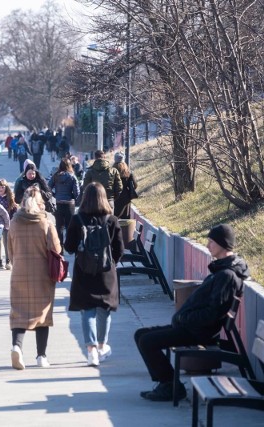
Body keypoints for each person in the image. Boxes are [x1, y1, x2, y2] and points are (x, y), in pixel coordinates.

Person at [135, 224, 248, 402]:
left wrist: (184, 317)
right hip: (192, 328)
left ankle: (171, 386)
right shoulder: (222, 270)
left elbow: (212, 314)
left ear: (223, 244)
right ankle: (167, 384)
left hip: (197, 332)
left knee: (147, 341)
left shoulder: (226, 275)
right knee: (141, 334)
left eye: (211, 241)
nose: (208, 245)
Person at [64, 183, 124, 367]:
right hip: (106, 273)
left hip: (84, 271)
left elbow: (69, 247)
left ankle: (90, 351)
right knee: (104, 309)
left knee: (87, 310)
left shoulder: (77, 219)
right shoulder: (112, 220)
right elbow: (119, 249)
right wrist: (109, 261)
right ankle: (101, 345)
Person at [7, 185, 62, 370]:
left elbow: (10, 251)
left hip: (19, 273)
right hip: (42, 275)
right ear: (40, 204)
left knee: (19, 313)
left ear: (22, 202)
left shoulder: (14, 222)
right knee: (42, 315)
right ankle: (41, 356)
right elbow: (56, 249)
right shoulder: (45, 223)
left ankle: (16, 347)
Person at [48, 158, 80, 253]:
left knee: (59, 226)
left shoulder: (55, 176)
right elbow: (77, 192)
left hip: (58, 203)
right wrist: (72, 197)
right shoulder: (72, 177)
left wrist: (55, 195)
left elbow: (48, 187)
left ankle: (60, 248)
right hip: (69, 204)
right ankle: (69, 247)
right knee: (69, 226)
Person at [0, 178, 18, 270]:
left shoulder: (10, 197)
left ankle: (8, 260)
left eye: (2, 187)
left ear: (6, 188)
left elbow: (14, 210)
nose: (1, 189)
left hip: (7, 223)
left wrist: (13, 219)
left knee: (7, 243)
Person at [112, 153, 137, 219]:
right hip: (126, 197)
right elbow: (135, 185)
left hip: (114, 196)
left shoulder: (111, 171)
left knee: (114, 217)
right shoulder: (128, 172)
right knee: (125, 219)